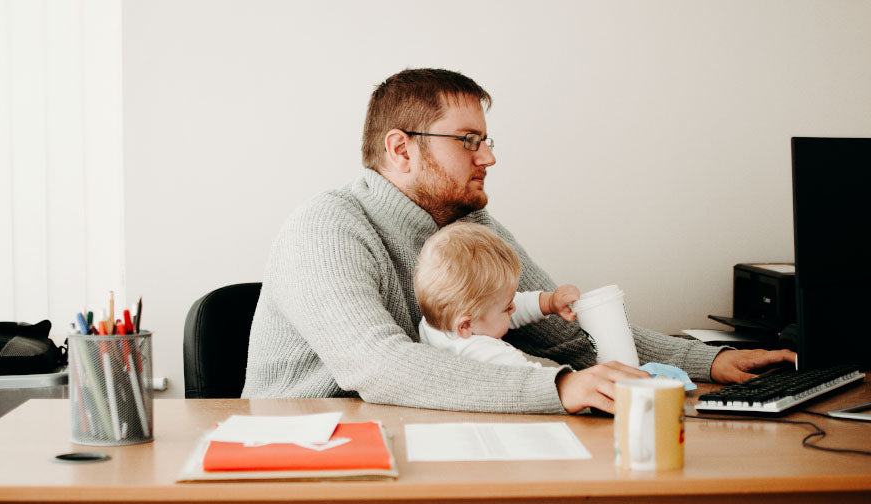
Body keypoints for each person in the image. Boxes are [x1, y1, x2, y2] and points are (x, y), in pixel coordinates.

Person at [242, 67, 795, 414]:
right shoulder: (326, 227)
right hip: (309, 462)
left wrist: (711, 362)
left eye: (486, 140)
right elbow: (378, 366)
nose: (488, 157)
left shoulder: (473, 229)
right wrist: (557, 390)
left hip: (422, 435)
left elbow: (566, 335)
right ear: (401, 149)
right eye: (468, 141)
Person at [415, 221, 580, 367]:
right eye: (508, 308)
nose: (514, 308)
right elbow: (534, 383)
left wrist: (549, 302)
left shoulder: (436, 322)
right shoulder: (489, 355)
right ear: (465, 326)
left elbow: (495, 310)